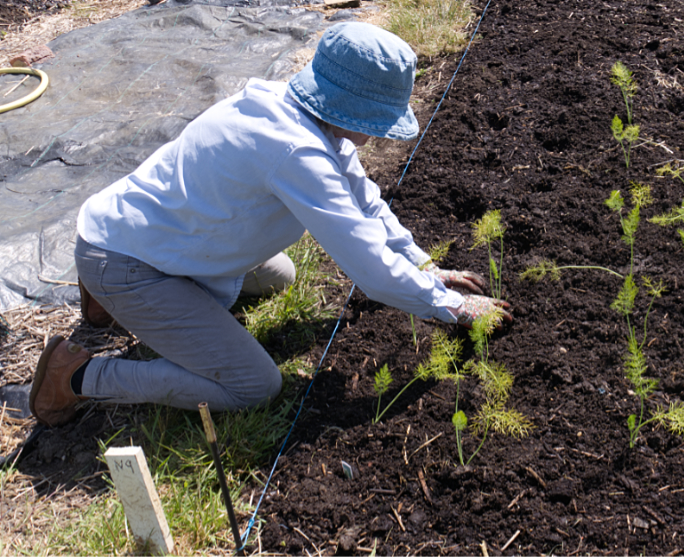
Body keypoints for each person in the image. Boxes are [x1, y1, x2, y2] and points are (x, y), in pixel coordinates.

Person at [29, 22, 511, 428]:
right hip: (124, 258)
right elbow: (369, 268)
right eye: (377, 119)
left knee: (282, 276)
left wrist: (424, 266)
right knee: (253, 385)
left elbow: (366, 204)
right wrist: (450, 306)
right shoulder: (295, 151)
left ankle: (118, 303)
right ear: (351, 107)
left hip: (154, 230)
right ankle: (76, 376)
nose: (378, 132)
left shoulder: (303, 112)